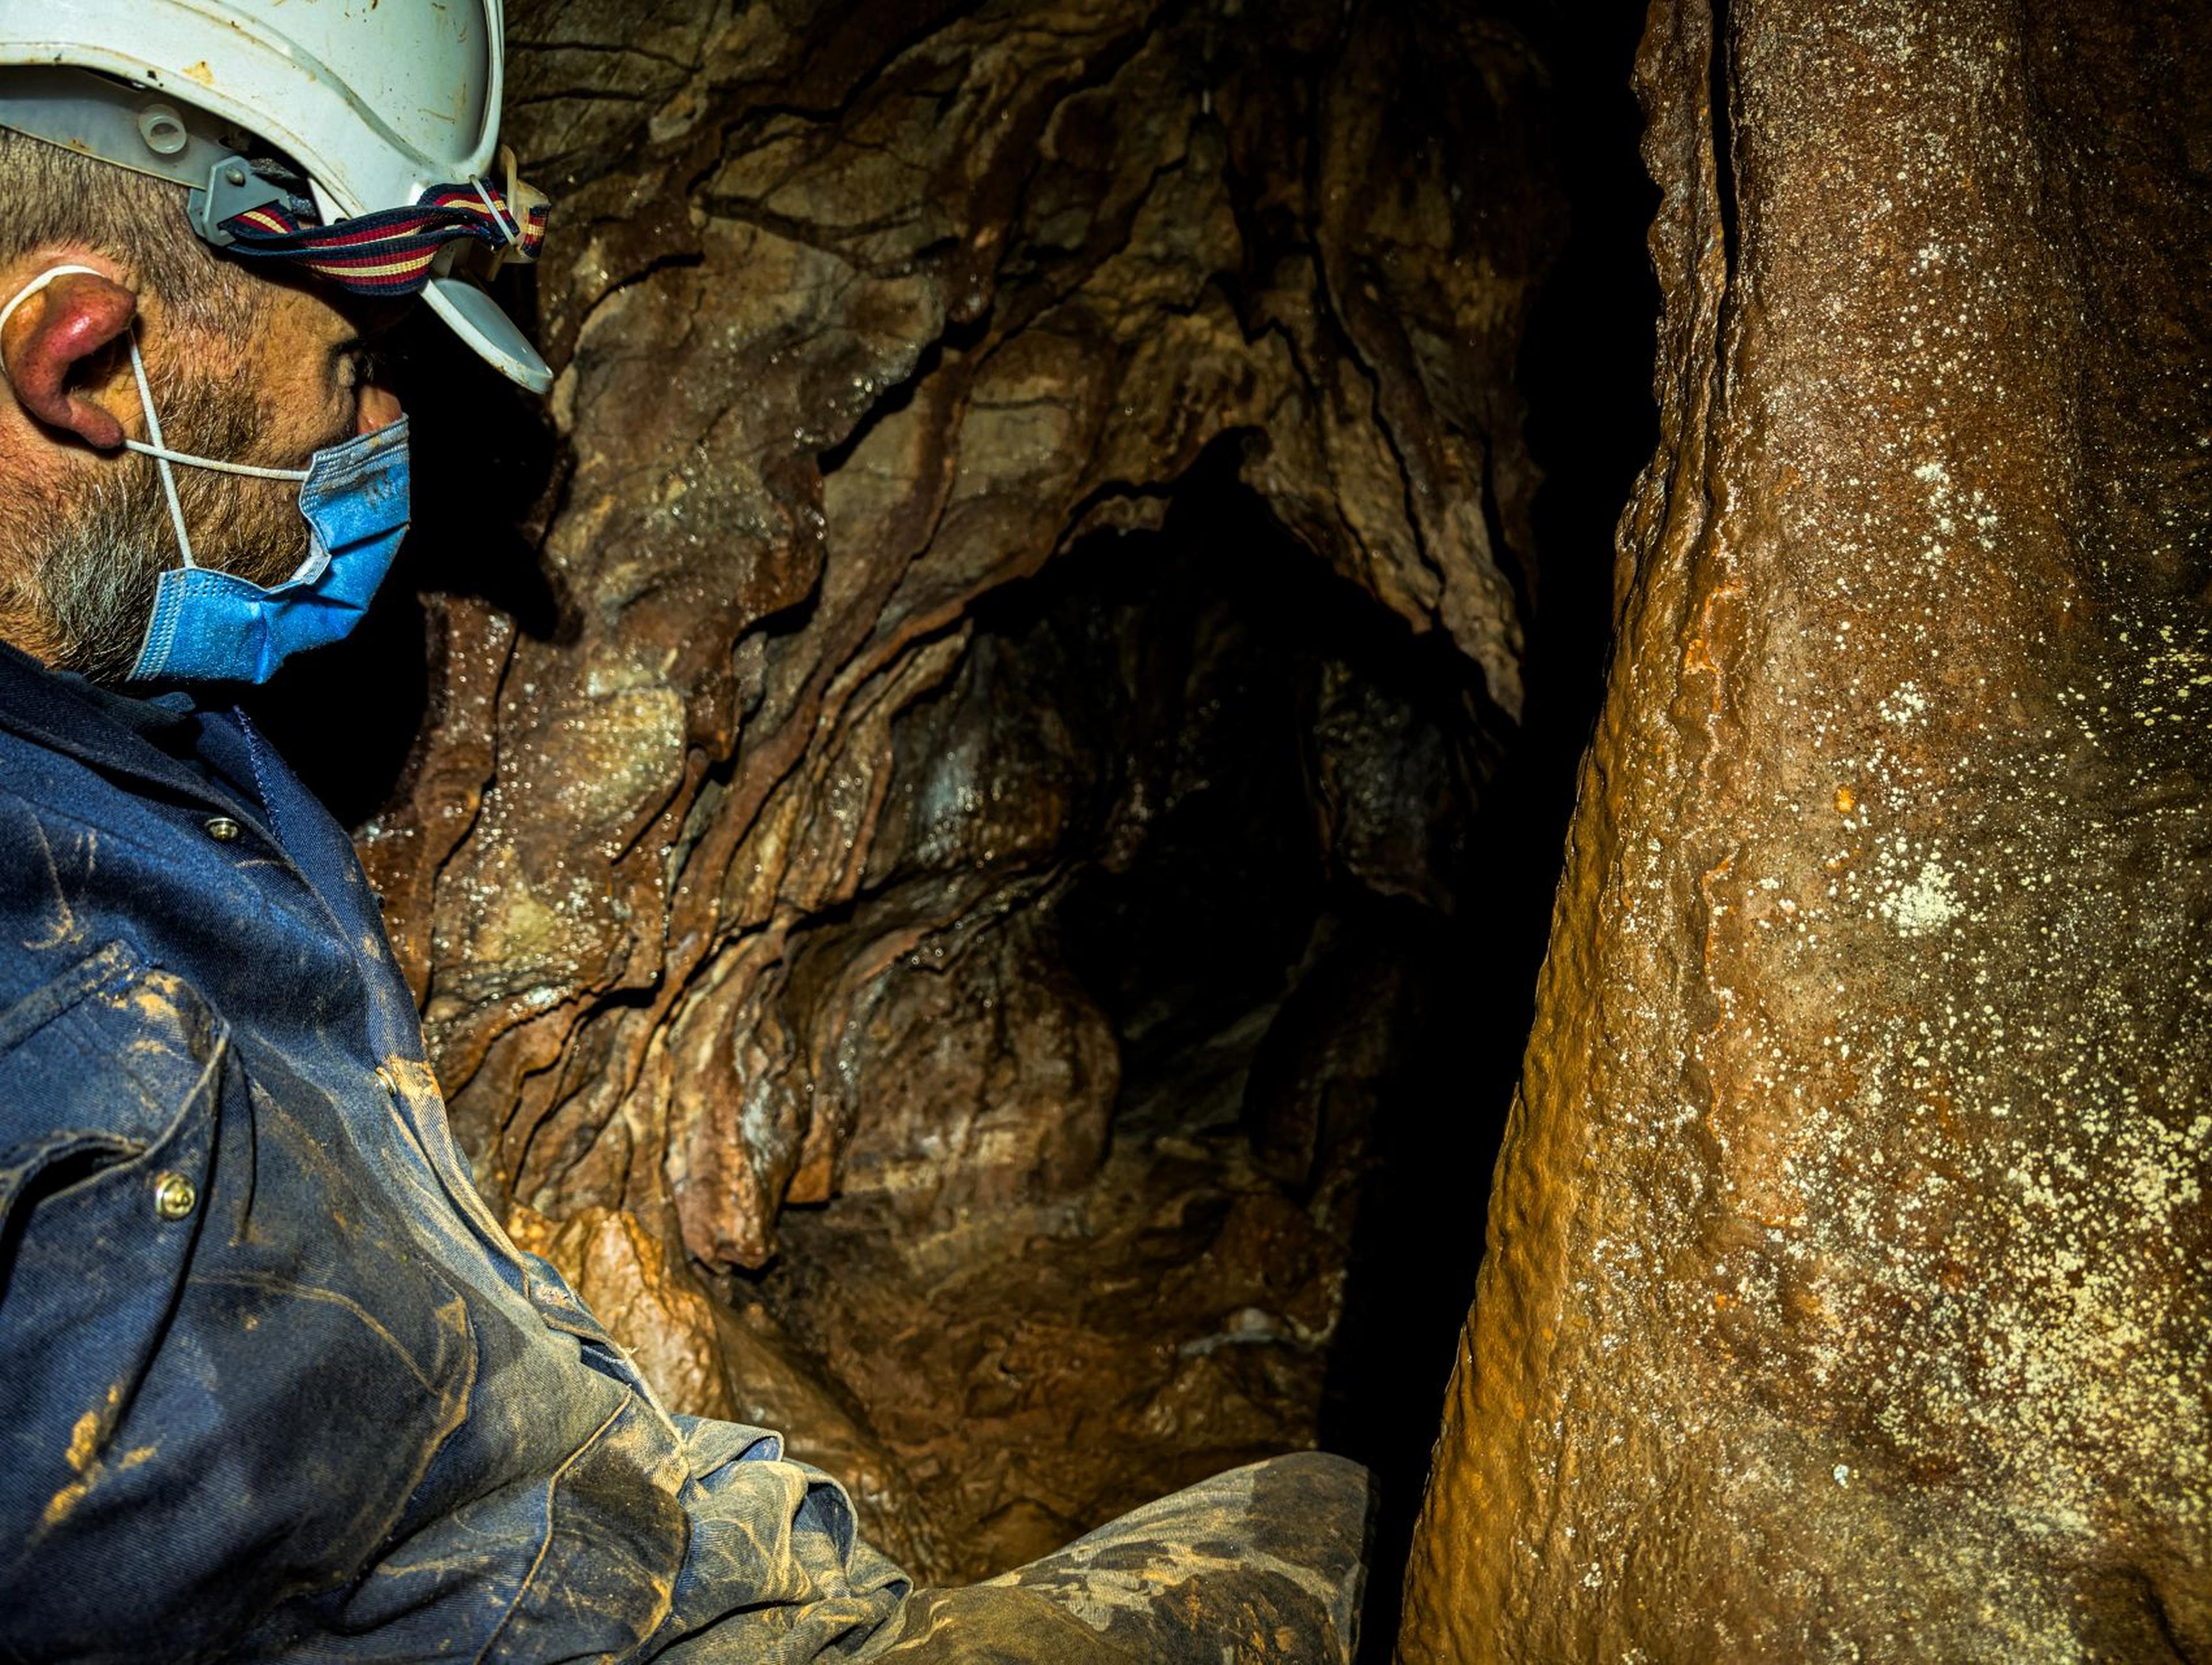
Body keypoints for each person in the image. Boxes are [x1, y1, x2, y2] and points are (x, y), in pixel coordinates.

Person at [0, 3, 1373, 1660]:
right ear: (84, 364)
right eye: (353, 367)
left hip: (631, 1548)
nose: (381, 439)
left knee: (1322, 1522)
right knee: (1337, 1560)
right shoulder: (43, 1011)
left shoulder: (150, 703)